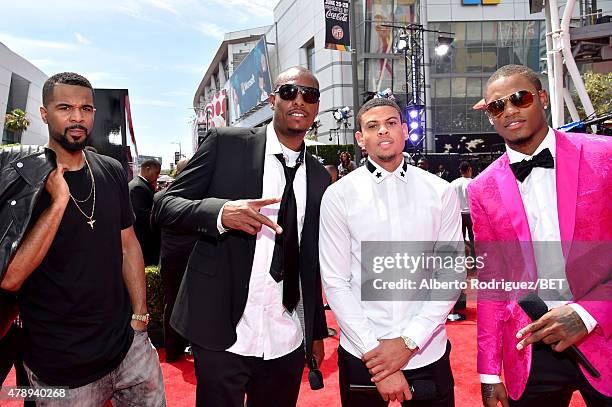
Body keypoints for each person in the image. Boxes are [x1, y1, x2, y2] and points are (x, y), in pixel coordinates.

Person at [153, 66, 329, 407]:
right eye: (290, 91)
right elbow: (164, 205)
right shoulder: (227, 144)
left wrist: (316, 331)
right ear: (272, 99)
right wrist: (220, 213)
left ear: (316, 107)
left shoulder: (319, 176)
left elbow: (310, 260)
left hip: (286, 335)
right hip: (223, 329)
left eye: (310, 96)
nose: (300, 101)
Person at [0, 72, 165, 407]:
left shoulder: (111, 169)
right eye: (65, 108)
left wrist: (139, 317)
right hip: (60, 365)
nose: (77, 117)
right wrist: (58, 202)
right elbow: (11, 277)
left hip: (127, 347)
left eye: (85, 109)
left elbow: (128, 243)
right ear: (45, 114)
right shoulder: (23, 180)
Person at [469, 65, 612, 406]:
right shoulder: (482, 188)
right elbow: (492, 281)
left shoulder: (604, 155)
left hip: (604, 332)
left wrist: (589, 313)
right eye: (496, 106)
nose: (509, 110)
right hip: (530, 345)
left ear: (543, 98)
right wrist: (489, 373)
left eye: (520, 98)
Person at [319, 97, 464, 406]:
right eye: (373, 126)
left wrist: (409, 341)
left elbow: (450, 274)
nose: (383, 131)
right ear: (360, 139)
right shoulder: (338, 196)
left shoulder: (440, 191)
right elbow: (335, 282)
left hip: (428, 348)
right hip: (362, 353)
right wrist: (378, 359)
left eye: (391, 123)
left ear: (405, 130)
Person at [152, 158, 197, 362]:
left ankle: (172, 351)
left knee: (171, 303)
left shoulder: (160, 196)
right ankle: (196, 350)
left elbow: (152, 226)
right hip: (195, 259)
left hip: (170, 258)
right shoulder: (200, 195)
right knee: (199, 305)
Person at [129, 159, 161, 266]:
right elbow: (142, 216)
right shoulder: (138, 187)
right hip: (144, 241)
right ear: (148, 169)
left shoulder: (142, 185)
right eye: (156, 173)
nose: (157, 176)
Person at [449, 161, 474, 254]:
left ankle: (462, 255)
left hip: (458, 214)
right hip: (470, 213)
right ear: (470, 169)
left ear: (460, 171)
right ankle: (473, 254)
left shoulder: (453, 183)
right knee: (472, 235)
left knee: (460, 236)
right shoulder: (472, 183)